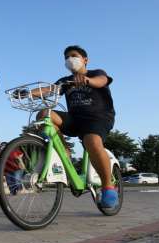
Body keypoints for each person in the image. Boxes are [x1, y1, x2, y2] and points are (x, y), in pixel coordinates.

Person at [37, 45, 117, 208]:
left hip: (98, 118)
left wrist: (88, 80)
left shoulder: (95, 73)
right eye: (66, 58)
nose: (69, 60)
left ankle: (108, 186)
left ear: (85, 60)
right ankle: (64, 153)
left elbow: (101, 81)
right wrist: (28, 93)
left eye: (73, 56)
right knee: (44, 114)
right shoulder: (65, 81)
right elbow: (49, 89)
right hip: (75, 119)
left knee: (92, 142)